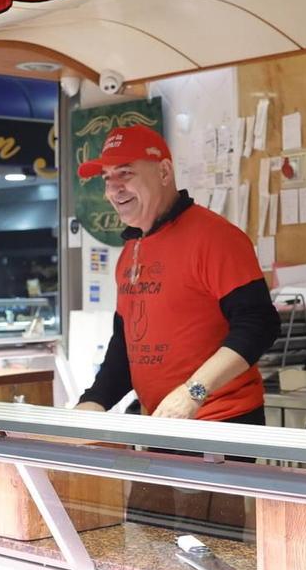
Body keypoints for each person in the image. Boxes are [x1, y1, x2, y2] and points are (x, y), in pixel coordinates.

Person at [74, 124, 281, 423]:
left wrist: (193, 392)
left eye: (125, 173)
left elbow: (260, 323)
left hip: (222, 422)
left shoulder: (215, 237)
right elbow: (126, 343)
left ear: (163, 172)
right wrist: (95, 400)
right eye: (107, 178)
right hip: (165, 421)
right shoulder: (131, 250)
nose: (113, 188)